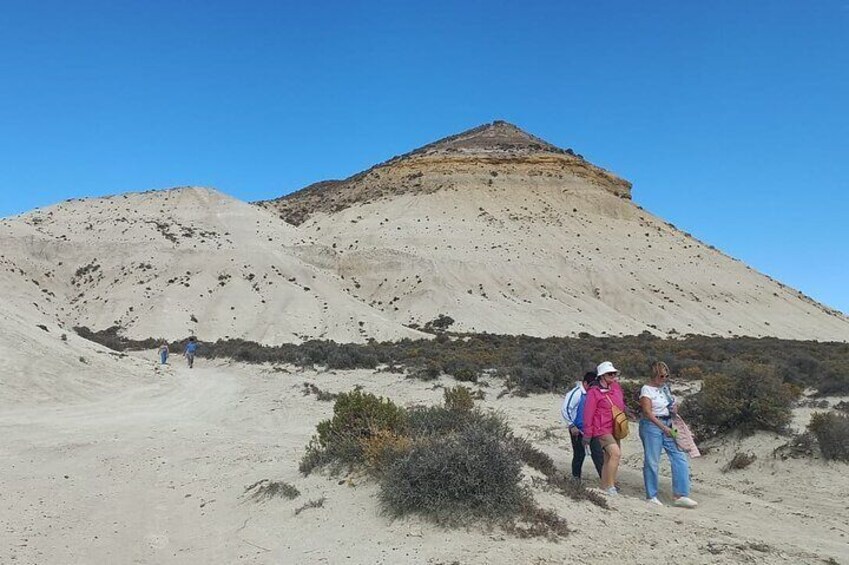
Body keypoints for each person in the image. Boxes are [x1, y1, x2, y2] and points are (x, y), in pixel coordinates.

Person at [638, 361, 698, 508]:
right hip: (652, 425)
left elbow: (671, 407)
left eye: (666, 375)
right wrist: (663, 428)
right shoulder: (646, 390)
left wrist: (674, 409)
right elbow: (647, 412)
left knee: (679, 456)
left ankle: (681, 494)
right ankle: (651, 495)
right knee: (652, 460)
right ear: (654, 375)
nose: (664, 378)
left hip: (669, 422)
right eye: (661, 375)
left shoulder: (665, 389)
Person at [582, 361, 626, 496]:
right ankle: (611, 486)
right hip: (601, 428)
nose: (613, 376)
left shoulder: (616, 388)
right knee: (615, 454)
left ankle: (604, 485)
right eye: (609, 374)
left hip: (615, 427)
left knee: (608, 457)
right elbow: (588, 414)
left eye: (614, 373)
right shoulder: (593, 392)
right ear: (601, 376)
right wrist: (588, 434)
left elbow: (621, 405)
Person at [561, 371, 605, 481]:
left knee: (598, 454)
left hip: (591, 428)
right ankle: (576, 479)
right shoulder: (575, 393)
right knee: (579, 455)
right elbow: (565, 409)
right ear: (585, 383)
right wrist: (571, 426)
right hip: (577, 429)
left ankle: (605, 480)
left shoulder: (594, 393)